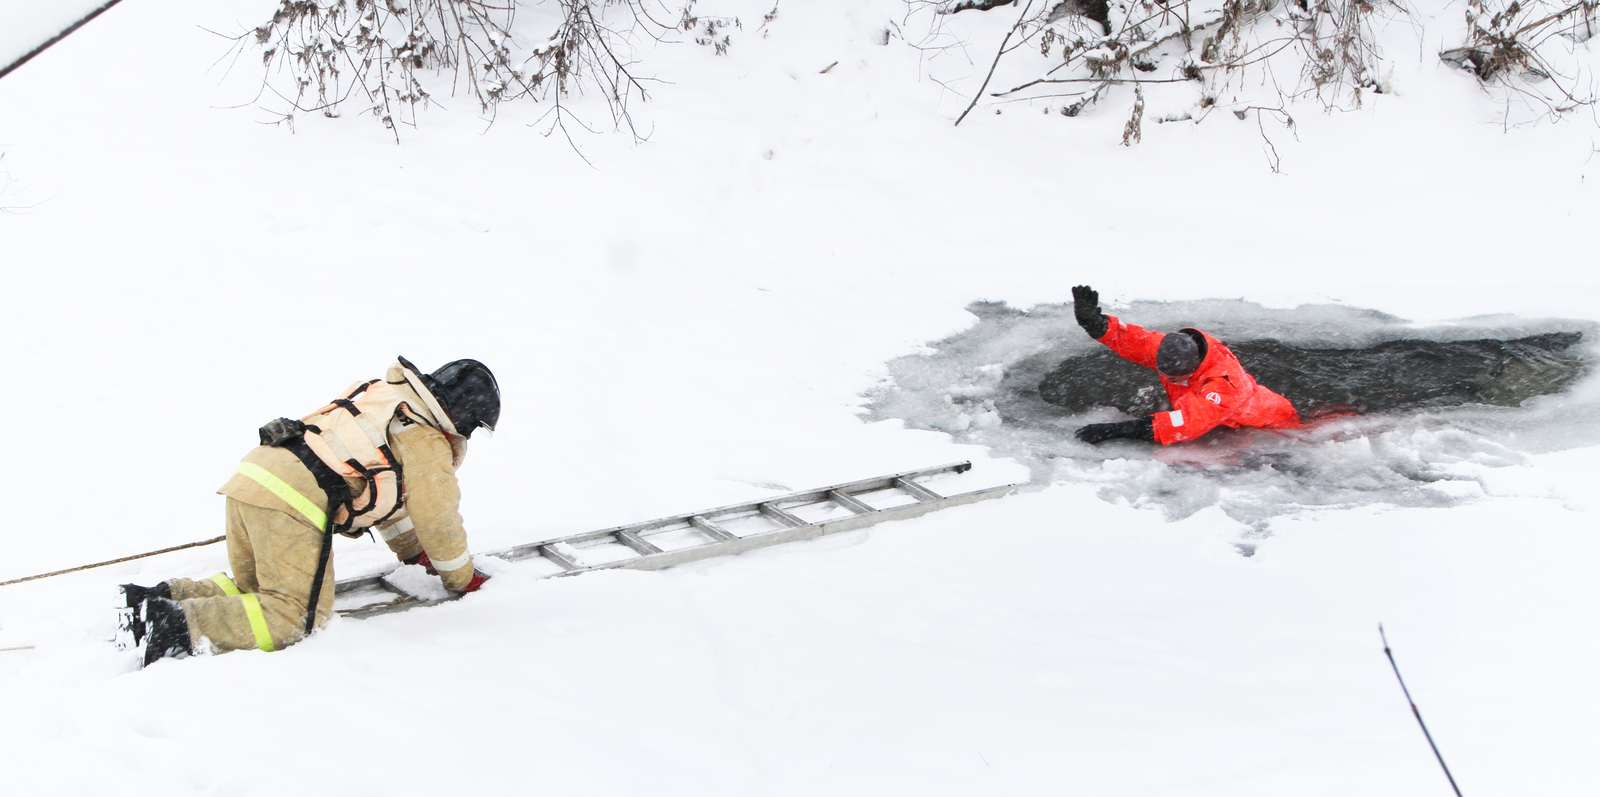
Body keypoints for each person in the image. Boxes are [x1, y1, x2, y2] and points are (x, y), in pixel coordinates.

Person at [117, 356, 499, 666]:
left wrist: (413, 554)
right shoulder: (425, 438)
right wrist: (461, 578)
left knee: (258, 590)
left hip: (257, 472)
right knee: (295, 616)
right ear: (465, 415)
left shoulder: (386, 400)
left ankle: (154, 598)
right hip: (293, 497)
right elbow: (438, 518)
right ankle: (169, 626)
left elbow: (387, 490)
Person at [1070, 285, 1300, 445]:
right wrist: (1094, 324)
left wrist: (1116, 430)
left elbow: (1185, 425)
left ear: (1194, 368)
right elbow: (1132, 341)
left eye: (1174, 378)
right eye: (1164, 375)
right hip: (1222, 417)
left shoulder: (1224, 385)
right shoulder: (1171, 348)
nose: (1168, 381)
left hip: (1274, 427)